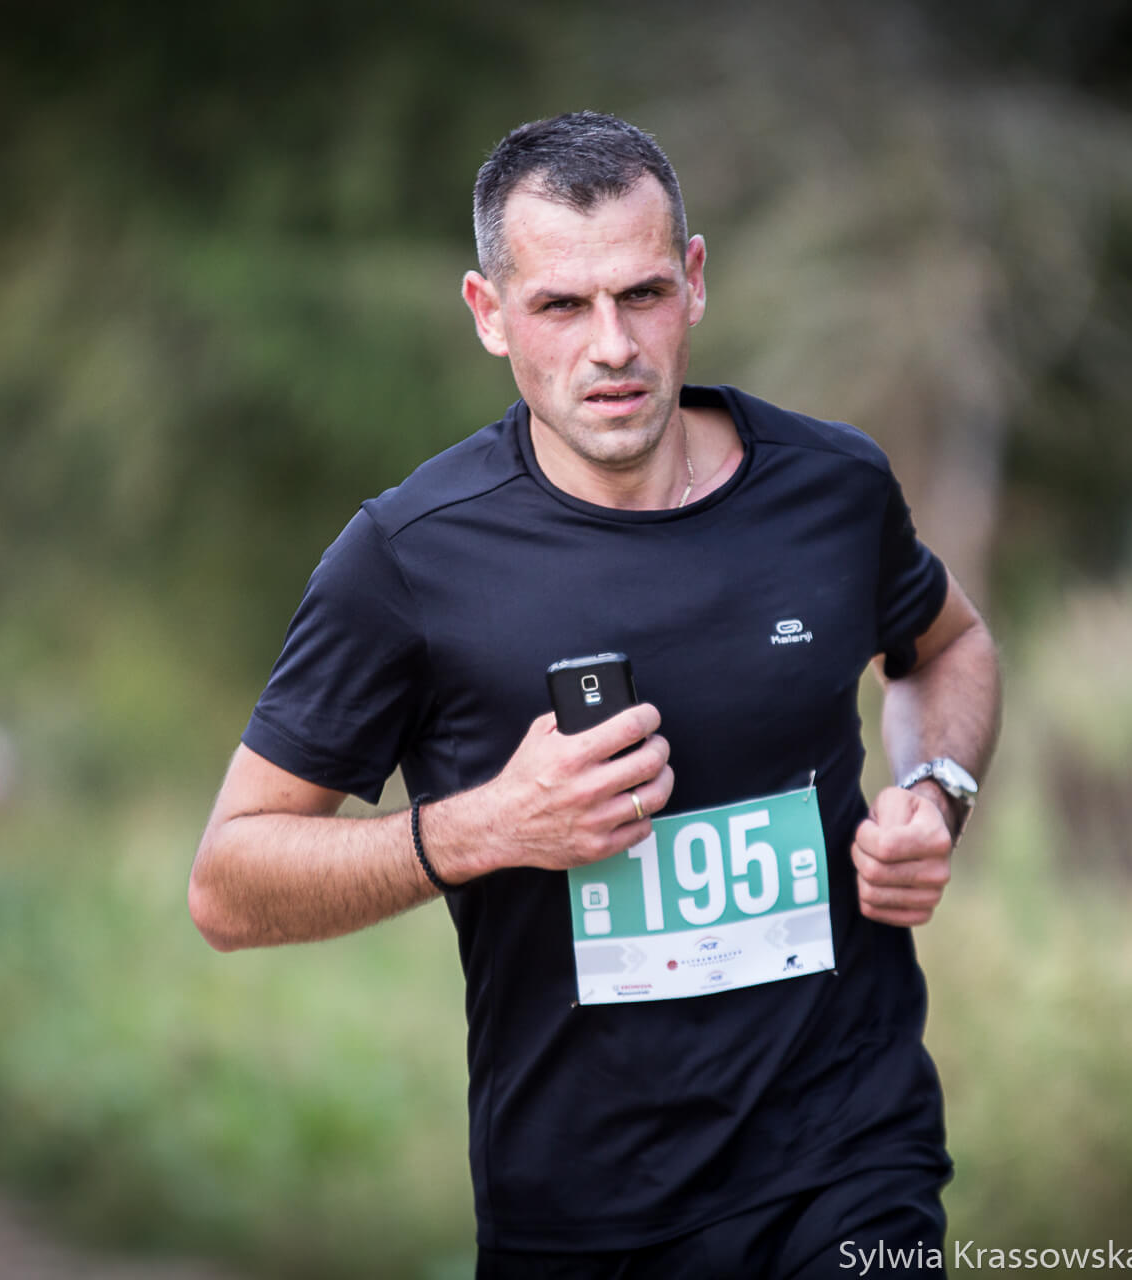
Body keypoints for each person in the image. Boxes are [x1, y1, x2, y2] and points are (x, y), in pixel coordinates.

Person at [189, 111, 1001, 1278]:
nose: (612, 345)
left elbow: (950, 644)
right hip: (584, 1215)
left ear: (696, 280)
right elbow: (228, 884)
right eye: (561, 306)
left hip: (850, 1159)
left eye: (643, 294)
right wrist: (487, 826)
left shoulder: (830, 488)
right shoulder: (409, 559)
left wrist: (936, 788)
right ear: (488, 313)